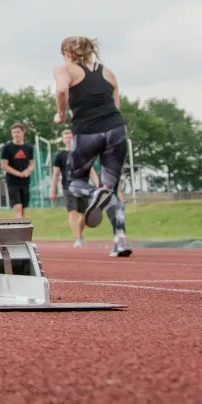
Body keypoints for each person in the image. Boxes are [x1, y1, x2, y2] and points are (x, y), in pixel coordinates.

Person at [54, 36, 132, 257]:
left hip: (87, 131)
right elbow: (116, 103)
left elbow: (61, 91)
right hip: (116, 129)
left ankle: (96, 193)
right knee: (111, 189)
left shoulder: (65, 69)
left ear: (67, 53)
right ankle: (121, 239)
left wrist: (60, 114)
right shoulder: (108, 72)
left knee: (76, 183)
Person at [51, 129, 98, 248]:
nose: (68, 139)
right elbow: (55, 174)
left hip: (82, 186)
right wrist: (53, 190)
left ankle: (79, 235)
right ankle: (77, 239)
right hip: (68, 187)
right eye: (66, 137)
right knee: (73, 211)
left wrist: (98, 186)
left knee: (85, 215)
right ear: (63, 140)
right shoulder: (60, 156)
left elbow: (91, 171)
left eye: (70, 136)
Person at [0, 123, 35, 218]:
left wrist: (27, 171)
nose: (16, 134)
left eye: (18, 132)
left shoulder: (29, 148)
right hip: (13, 182)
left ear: (23, 133)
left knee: (23, 208)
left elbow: (32, 164)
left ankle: (22, 229)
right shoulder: (7, 148)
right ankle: (18, 230)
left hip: (25, 182)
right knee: (17, 207)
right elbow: (4, 166)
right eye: (14, 132)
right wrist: (18, 174)